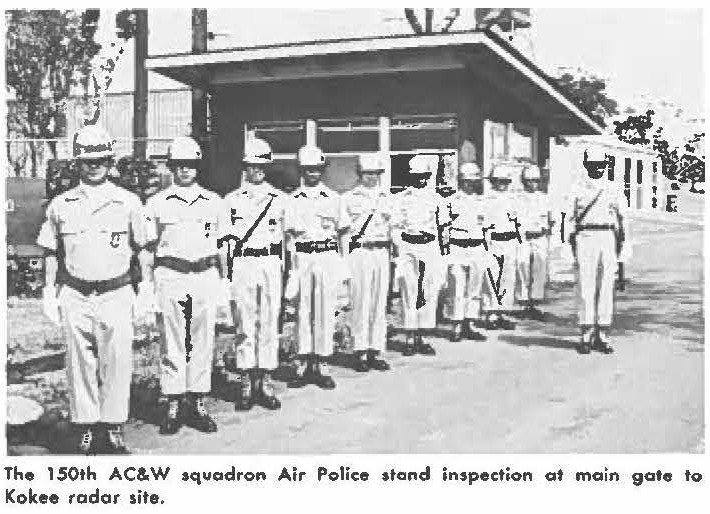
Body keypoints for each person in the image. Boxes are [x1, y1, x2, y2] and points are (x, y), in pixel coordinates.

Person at [37, 125, 150, 454]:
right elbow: (51, 253)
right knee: (79, 362)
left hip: (116, 292)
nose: (94, 165)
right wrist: (48, 292)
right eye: (88, 159)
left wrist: (146, 288)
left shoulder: (128, 202)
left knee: (117, 361)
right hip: (76, 294)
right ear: (77, 162)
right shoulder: (61, 205)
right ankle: (85, 427)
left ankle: (113, 427)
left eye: (101, 159)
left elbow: (143, 249)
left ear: (110, 161)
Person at [143, 136, 221, 435]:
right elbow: (147, 249)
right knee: (173, 341)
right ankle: (174, 403)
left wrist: (225, 281)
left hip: (204, 275)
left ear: (198, 167)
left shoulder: (214, 202)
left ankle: (197, 402)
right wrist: (147, 286)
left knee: (203, 340)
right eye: (179, 165)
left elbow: (223, 247)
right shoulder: (157, 203)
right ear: (171, 167)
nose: (185, 170)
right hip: (171, 275)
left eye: (190, 164)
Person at [223, 137, 284, 410]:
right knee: (245, 323)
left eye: (261, 165)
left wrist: (287, 273)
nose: (257, 170)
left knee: (269, 321)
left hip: (270, 262)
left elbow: (286, 240)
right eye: (252, 165)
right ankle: (247, 381)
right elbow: (225, 243)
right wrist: (226, 276)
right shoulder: (231, 200)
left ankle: (266, 381)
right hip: (243, 263)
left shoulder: (279, 199)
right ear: (244, 167)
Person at [285, 145, 350, 389]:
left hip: (326, 257)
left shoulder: (334, 198)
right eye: (308, 169)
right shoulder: (292, 200)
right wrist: (291, 268)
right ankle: (303, 363)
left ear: (322, 171)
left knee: (325, 311)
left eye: (316, 169)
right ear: (301, 170)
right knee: (303, 311)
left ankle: (322, 363)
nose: (312, 173)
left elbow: (343, 233)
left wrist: (343, 266)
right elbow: (288, 237)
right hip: (303, 258)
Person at [391, 154, 449, 356]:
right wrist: (402, 246)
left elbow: (443, 229)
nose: (421, 179)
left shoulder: (437, 199)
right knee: (410, 292)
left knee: (428, 292)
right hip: (409, 248)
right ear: (410, 176)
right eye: (417, 176)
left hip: (430, 248)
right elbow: (395, 227)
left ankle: (423, 337)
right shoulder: (401, 198)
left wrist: (442, 254)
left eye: (424, 175)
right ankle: (409, 337)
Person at [571, 151, 625, 354]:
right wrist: (567, 246)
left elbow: (623, 219)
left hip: (608, 237)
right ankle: (586, 333)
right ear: (587, 165)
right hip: (586, 236)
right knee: (586, 286)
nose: (597, 168)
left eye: (601, 164)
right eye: (593, 164)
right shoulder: (577, 188)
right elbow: (568, 219)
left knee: (606, 286)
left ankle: (602, 334)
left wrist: (623, 248)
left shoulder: (613, 188)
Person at [342, 154, 392, 372]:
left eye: (375, 173)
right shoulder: (348, 198)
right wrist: (345, 261)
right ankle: (360, 351)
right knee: (360, 301)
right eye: (367, 173)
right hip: (359, 252)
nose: (371, 177)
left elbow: (393, 228)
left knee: (379, 303)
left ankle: (375, 350)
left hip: (381, 251)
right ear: (359, 174)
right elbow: (344, 233)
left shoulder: (387, 197)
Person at [446, 161, 487, 342]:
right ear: (461, 181)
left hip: (477, 247)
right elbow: (444, 227)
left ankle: (469, 324)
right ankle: (456, 326)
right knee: (457, 286)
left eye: (474, 181)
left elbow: (487, 226)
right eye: (467, 181)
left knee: (474, 288)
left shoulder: (482, 201)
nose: (470, 184)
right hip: (457, 247)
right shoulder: (452, 201)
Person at [480, 162, 519, 330]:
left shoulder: (514, 200)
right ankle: (491, 314)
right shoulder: (486, 200)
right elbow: (482, 224)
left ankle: (503, 312)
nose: (502, 184)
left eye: (505, 181)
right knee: (491, 277)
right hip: (493, 241)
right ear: (492, 181)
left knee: (507, 278)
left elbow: (518, 222)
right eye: (498, 180)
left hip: (510, 241)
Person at [514, 163, 551, 320]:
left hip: (539, 237)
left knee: (539, 268)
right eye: (529, 180)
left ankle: (535, 303)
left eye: (535, 180)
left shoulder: (544, 198)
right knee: (522, 266)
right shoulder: (517, 198)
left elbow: (550, 219)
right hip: (523, 236)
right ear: (524, 181)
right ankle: (523, 303)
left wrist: (547, 230)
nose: (532, 183)